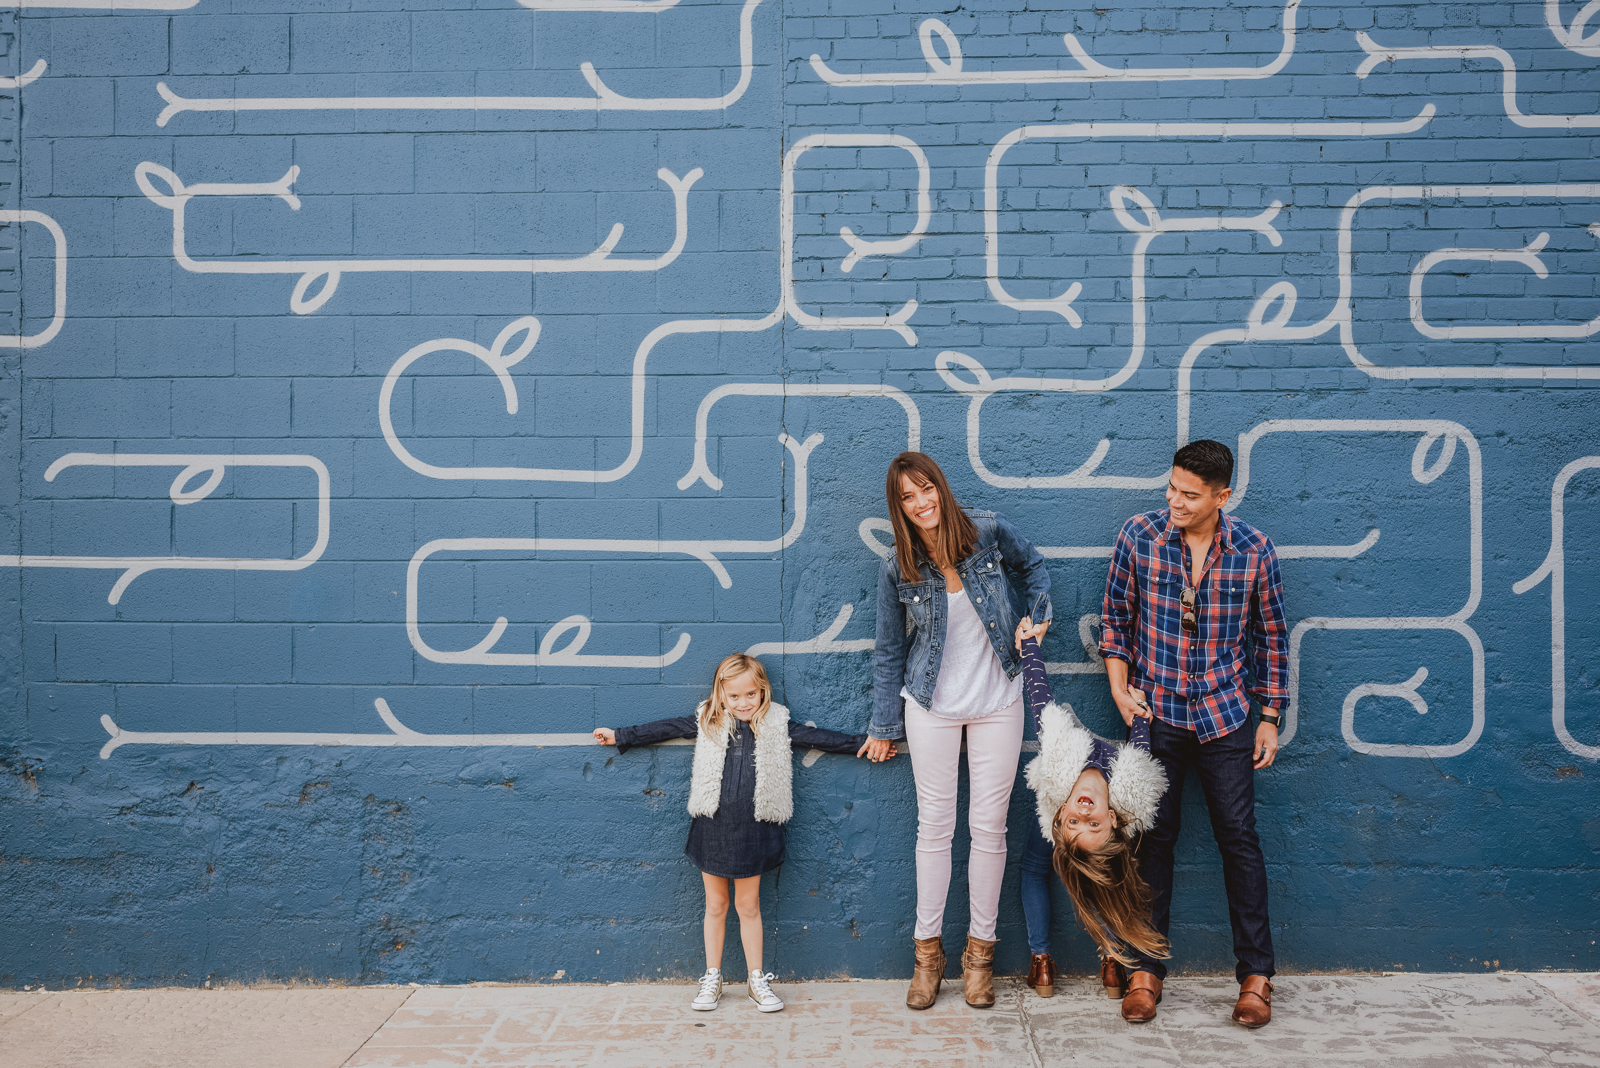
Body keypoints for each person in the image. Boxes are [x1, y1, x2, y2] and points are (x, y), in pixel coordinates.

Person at [1099, 439, 1288, 1028]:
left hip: (1227, 715)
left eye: (1189, 494)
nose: (1174, 501)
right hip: (1154, 715)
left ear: (1221, 496)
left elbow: (1273, 638)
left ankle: (1256, 976)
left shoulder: (1254, 550)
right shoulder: (1140, 535)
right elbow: (1114, 619)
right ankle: (1145, 970)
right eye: (1172, 488)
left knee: (1239, 838)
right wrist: (1117, 686)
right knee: (1153, 841)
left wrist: (1270, 716)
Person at [594, 652, 895, 1013]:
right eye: (734, 696)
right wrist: (621, 735)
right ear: (721, 694)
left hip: (755, 830)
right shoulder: (708, 719)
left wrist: (865, 743)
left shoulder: (777, 723)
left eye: (750, 694)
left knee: (749, 905)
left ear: (763, 691)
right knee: (716, 905)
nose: (743, 703)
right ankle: (713, 977)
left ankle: (756, 979)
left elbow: (820, 738)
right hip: (713, 827)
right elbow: (667, 727)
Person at [863, 451, 1052, 1010]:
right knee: (934, 830)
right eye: (908, 497)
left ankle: (980, 957)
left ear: (941, 489)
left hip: (999, 698)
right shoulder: (897, 566)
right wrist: (883, 725)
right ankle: (927, 958)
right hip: (931, 706)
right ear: (898, 507)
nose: (921, 503)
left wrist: (1037, 616)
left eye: (927, 489)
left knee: (990, 830)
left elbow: (1036, 568)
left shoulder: (987, 532)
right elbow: (889, 649)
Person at [1015, 633, 1169, 1001]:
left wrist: (1029, 648)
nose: (1083, 813)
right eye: (1091, 822)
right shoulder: (1130, 790)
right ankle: (1109, 961)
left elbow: (1041, 701)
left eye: (1077, 821)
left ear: (1063, 816)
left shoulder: (1060, 775)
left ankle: (1045, 961)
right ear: (1114, 818)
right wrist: (1141, 709)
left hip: (1061, 812)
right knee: (1097, 871)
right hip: (1082, 818)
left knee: (1042, 868)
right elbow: (1141, 742)